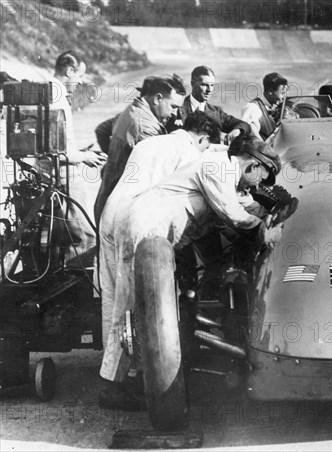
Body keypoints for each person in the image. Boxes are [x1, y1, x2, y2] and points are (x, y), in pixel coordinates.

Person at [98, 135, 282, 410]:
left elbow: (244, 204)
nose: (255, 186)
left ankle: (134, 377)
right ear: (253, 166)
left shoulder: (227, 175)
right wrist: (263, 230)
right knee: (130, 307)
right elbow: (232, 213)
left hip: (156, 236)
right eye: (261, 179)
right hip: (143, 227)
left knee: (146, 310)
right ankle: (111, 387)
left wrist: (272, 211)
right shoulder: (216, 166)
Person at [98, 111, 220, 351]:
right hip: (134, 219)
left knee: (112, 295)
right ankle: (140, 368)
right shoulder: (190, 152)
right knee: (139, 298)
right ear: (204, 139)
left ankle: (110, 367)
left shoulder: (149, 142)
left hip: (110, 212)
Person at [93, 75, 186, 223]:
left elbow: (102, 130)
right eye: (173, 107)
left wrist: (112, 157)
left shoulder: (132, 109)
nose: (175, 114)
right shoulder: (146, 128)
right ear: (157, 99)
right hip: (120, 212)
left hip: (107, 202)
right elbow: (159, 175)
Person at [46, 51, 107, 266]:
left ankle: (56, 287)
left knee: (58, 239)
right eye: (79, 76)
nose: (80, 82)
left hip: (53, 176)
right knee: (87, 238)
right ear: (68, 70)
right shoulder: (58, 99)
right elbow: (59, 151)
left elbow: (54, 144)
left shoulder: (49, 92)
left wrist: (80, 152)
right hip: (65, 179)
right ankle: (76, 294)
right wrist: (85, 156)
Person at [168, 65, 250, 142]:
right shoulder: (177, 107)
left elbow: (244, 125)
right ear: (193, 84)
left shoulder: (216, 112)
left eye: (212, 85)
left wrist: (237, 131)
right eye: (204, 85)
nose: (209, 90)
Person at [241, 72, 288, 140]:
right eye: (282, 93)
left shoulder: (282, 107)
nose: (284, 97)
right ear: (270, 91)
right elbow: (250, 133)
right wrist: (265, 148)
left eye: (286, 93)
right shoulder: (253, 108)